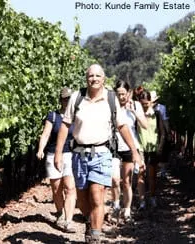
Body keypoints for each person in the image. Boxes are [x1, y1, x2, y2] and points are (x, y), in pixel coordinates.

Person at [54, 64, 142, 244]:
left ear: (103, 78)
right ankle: (89, 221)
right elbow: (65, 125)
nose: (94, 79)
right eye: (90, 76)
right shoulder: (77, 98)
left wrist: (135, 151)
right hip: (79, 154)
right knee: (83, 199)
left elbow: (122, 126)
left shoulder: (111, 98)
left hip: (102, 153)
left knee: (97, 194)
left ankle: (94, 236)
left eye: (97, 76)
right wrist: (58, 153)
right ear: (86, 78)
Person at [36, 87, 76, 233]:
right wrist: (41, 149)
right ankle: (60, 213)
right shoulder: (53, 116)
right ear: (61, 100)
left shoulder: (76, 116)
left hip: (70, 155)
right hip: (53, 155)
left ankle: (69, 220)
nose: (67, 101)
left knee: (70, 187)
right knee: (57, 188)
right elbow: (45, 134)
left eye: (70, 99)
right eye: (65, 99)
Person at [113, 80, 147, 222]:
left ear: (129, 93)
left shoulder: (136, 105)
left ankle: (126, 209)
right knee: (114, 179)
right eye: (118, 94)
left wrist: (133, 111)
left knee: (126, 181)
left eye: (123, 94)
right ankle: (115, 205)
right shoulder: (111, 105)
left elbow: (145, 125)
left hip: (130, 146)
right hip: (114, 146)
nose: (121, 97)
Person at [138, 90, 165, 209]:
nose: (144, 106)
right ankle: (142, 201)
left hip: (153, 148)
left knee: (152, 176)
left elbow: (162, 132)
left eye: (146, 104)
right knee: (141, 175)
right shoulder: (137, 115)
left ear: (151, 102)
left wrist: (159, 148)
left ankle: (153, 197)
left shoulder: (157, 114)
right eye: (142, 104)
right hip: (140, 148)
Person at [150, 90, 171, 178]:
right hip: (151, 131)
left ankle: (162, 170)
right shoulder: (147, 108)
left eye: (154, 101)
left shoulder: (162, 108)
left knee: (163, 150)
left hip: (160, 130)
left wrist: (167, 132)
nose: (153, 103)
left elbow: (165, 121)